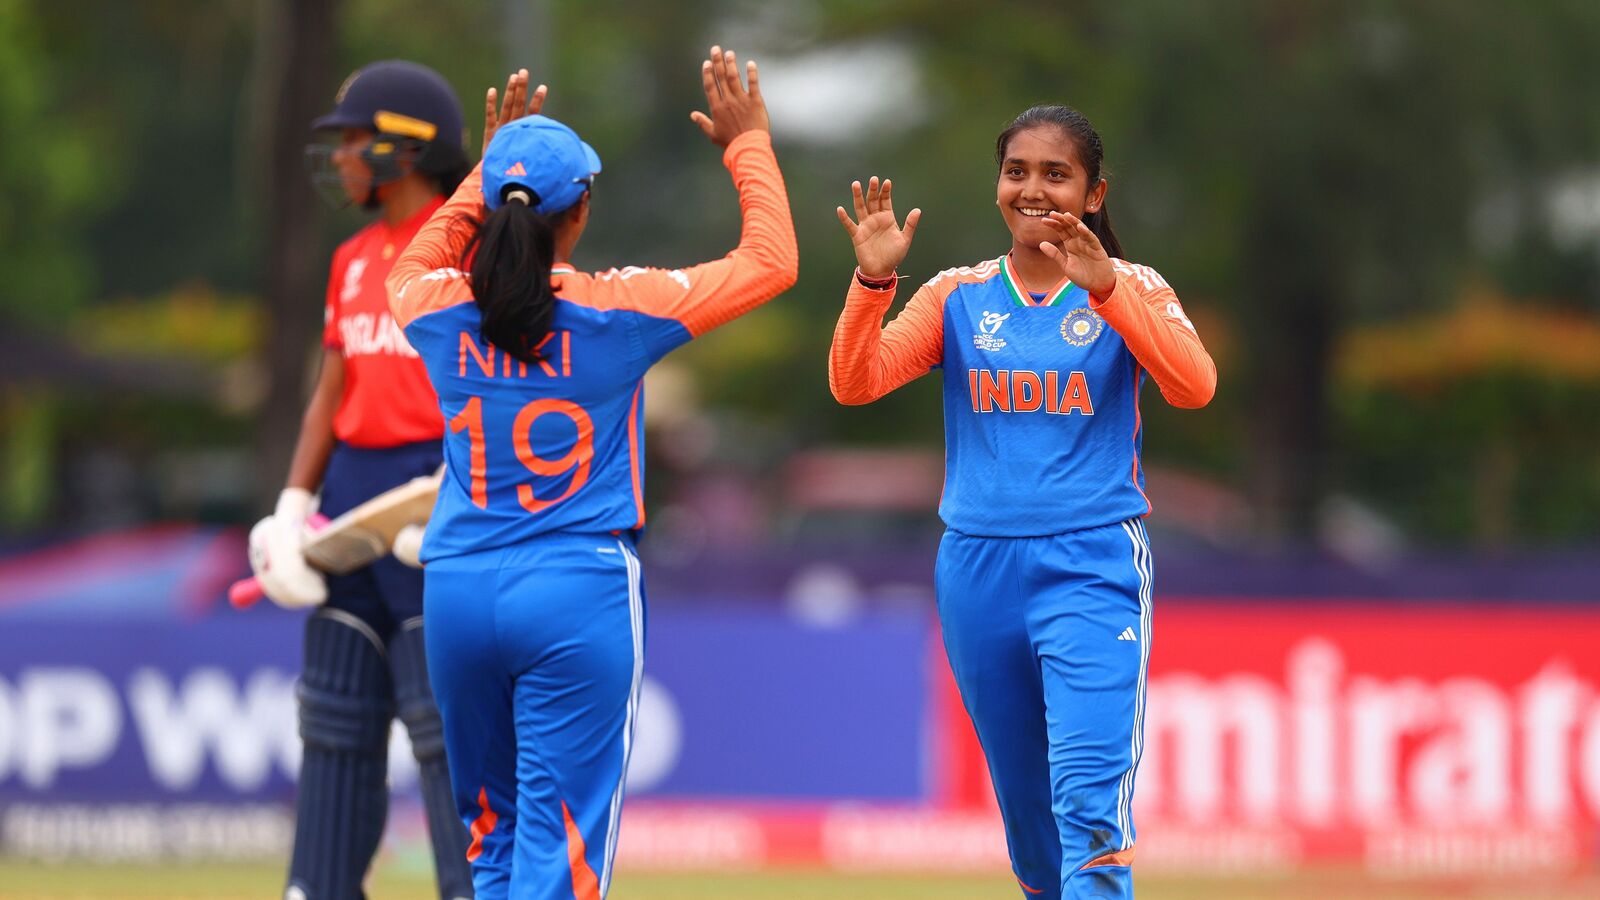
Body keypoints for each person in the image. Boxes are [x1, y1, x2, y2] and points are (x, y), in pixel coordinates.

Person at [385, 48, 796, 899]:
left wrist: (486, 172)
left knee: (487, 840)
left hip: (458, 587)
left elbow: (411, 267)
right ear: (580, 215)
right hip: (577, 588)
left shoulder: (433, 309)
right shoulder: (621, 311)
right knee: (560, 849)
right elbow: (771, 263)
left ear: (496, 210)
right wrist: (747, 144)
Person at [828, 105, 1216, 899]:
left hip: (1091, 562)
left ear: (1095, 192)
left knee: (1088, 802)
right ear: (998, 184)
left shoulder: (1131, 287)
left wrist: (1108, 291)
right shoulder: (957, 296)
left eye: (1056, 174)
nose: (1033, 189)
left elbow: (1194, 386)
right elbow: (854, 382)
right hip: (976, 571)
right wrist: (872, 282)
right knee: (1033, 829)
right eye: (1017, 171)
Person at [253, 59, 479, 900]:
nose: (342, 158)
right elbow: (332, 389)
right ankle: (317, 886)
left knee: (442, 722)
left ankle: (473, 889)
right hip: (352, 500)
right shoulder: (351, 259)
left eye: (354, 140)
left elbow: (502, 388)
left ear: (404, 149)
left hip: (437, 495)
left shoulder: (474, 251)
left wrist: (466, 497)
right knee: (335, 715)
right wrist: (291, 508)